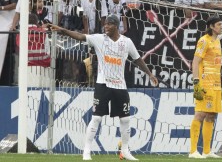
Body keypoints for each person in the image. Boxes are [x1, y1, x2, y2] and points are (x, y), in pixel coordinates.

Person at [48, 14, 158, 161]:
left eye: (109, 24)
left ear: (116, 26)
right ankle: (86, 151)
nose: (105, 26)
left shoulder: (127, 42)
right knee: (97, 118)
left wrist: (149, 74)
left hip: (120, 86)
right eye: (105, 24)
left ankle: (125, 150)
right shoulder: (99, 39)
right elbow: (80, 36)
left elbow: (137, 59)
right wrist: (62, 30)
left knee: (125, 119)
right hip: (103, 84)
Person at [189, 15, 222, 159]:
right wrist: (196, 82)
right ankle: (193, 151)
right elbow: (195, 62)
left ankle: (207, 151)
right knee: (201, 114)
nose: (221, 27)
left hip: (215, 84)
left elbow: (217, 65)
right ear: (211, 27)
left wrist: (220, 87)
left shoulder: (218, 41)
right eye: (219, 25)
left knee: (211, 116)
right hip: (204, 83)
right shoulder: (204, 41)